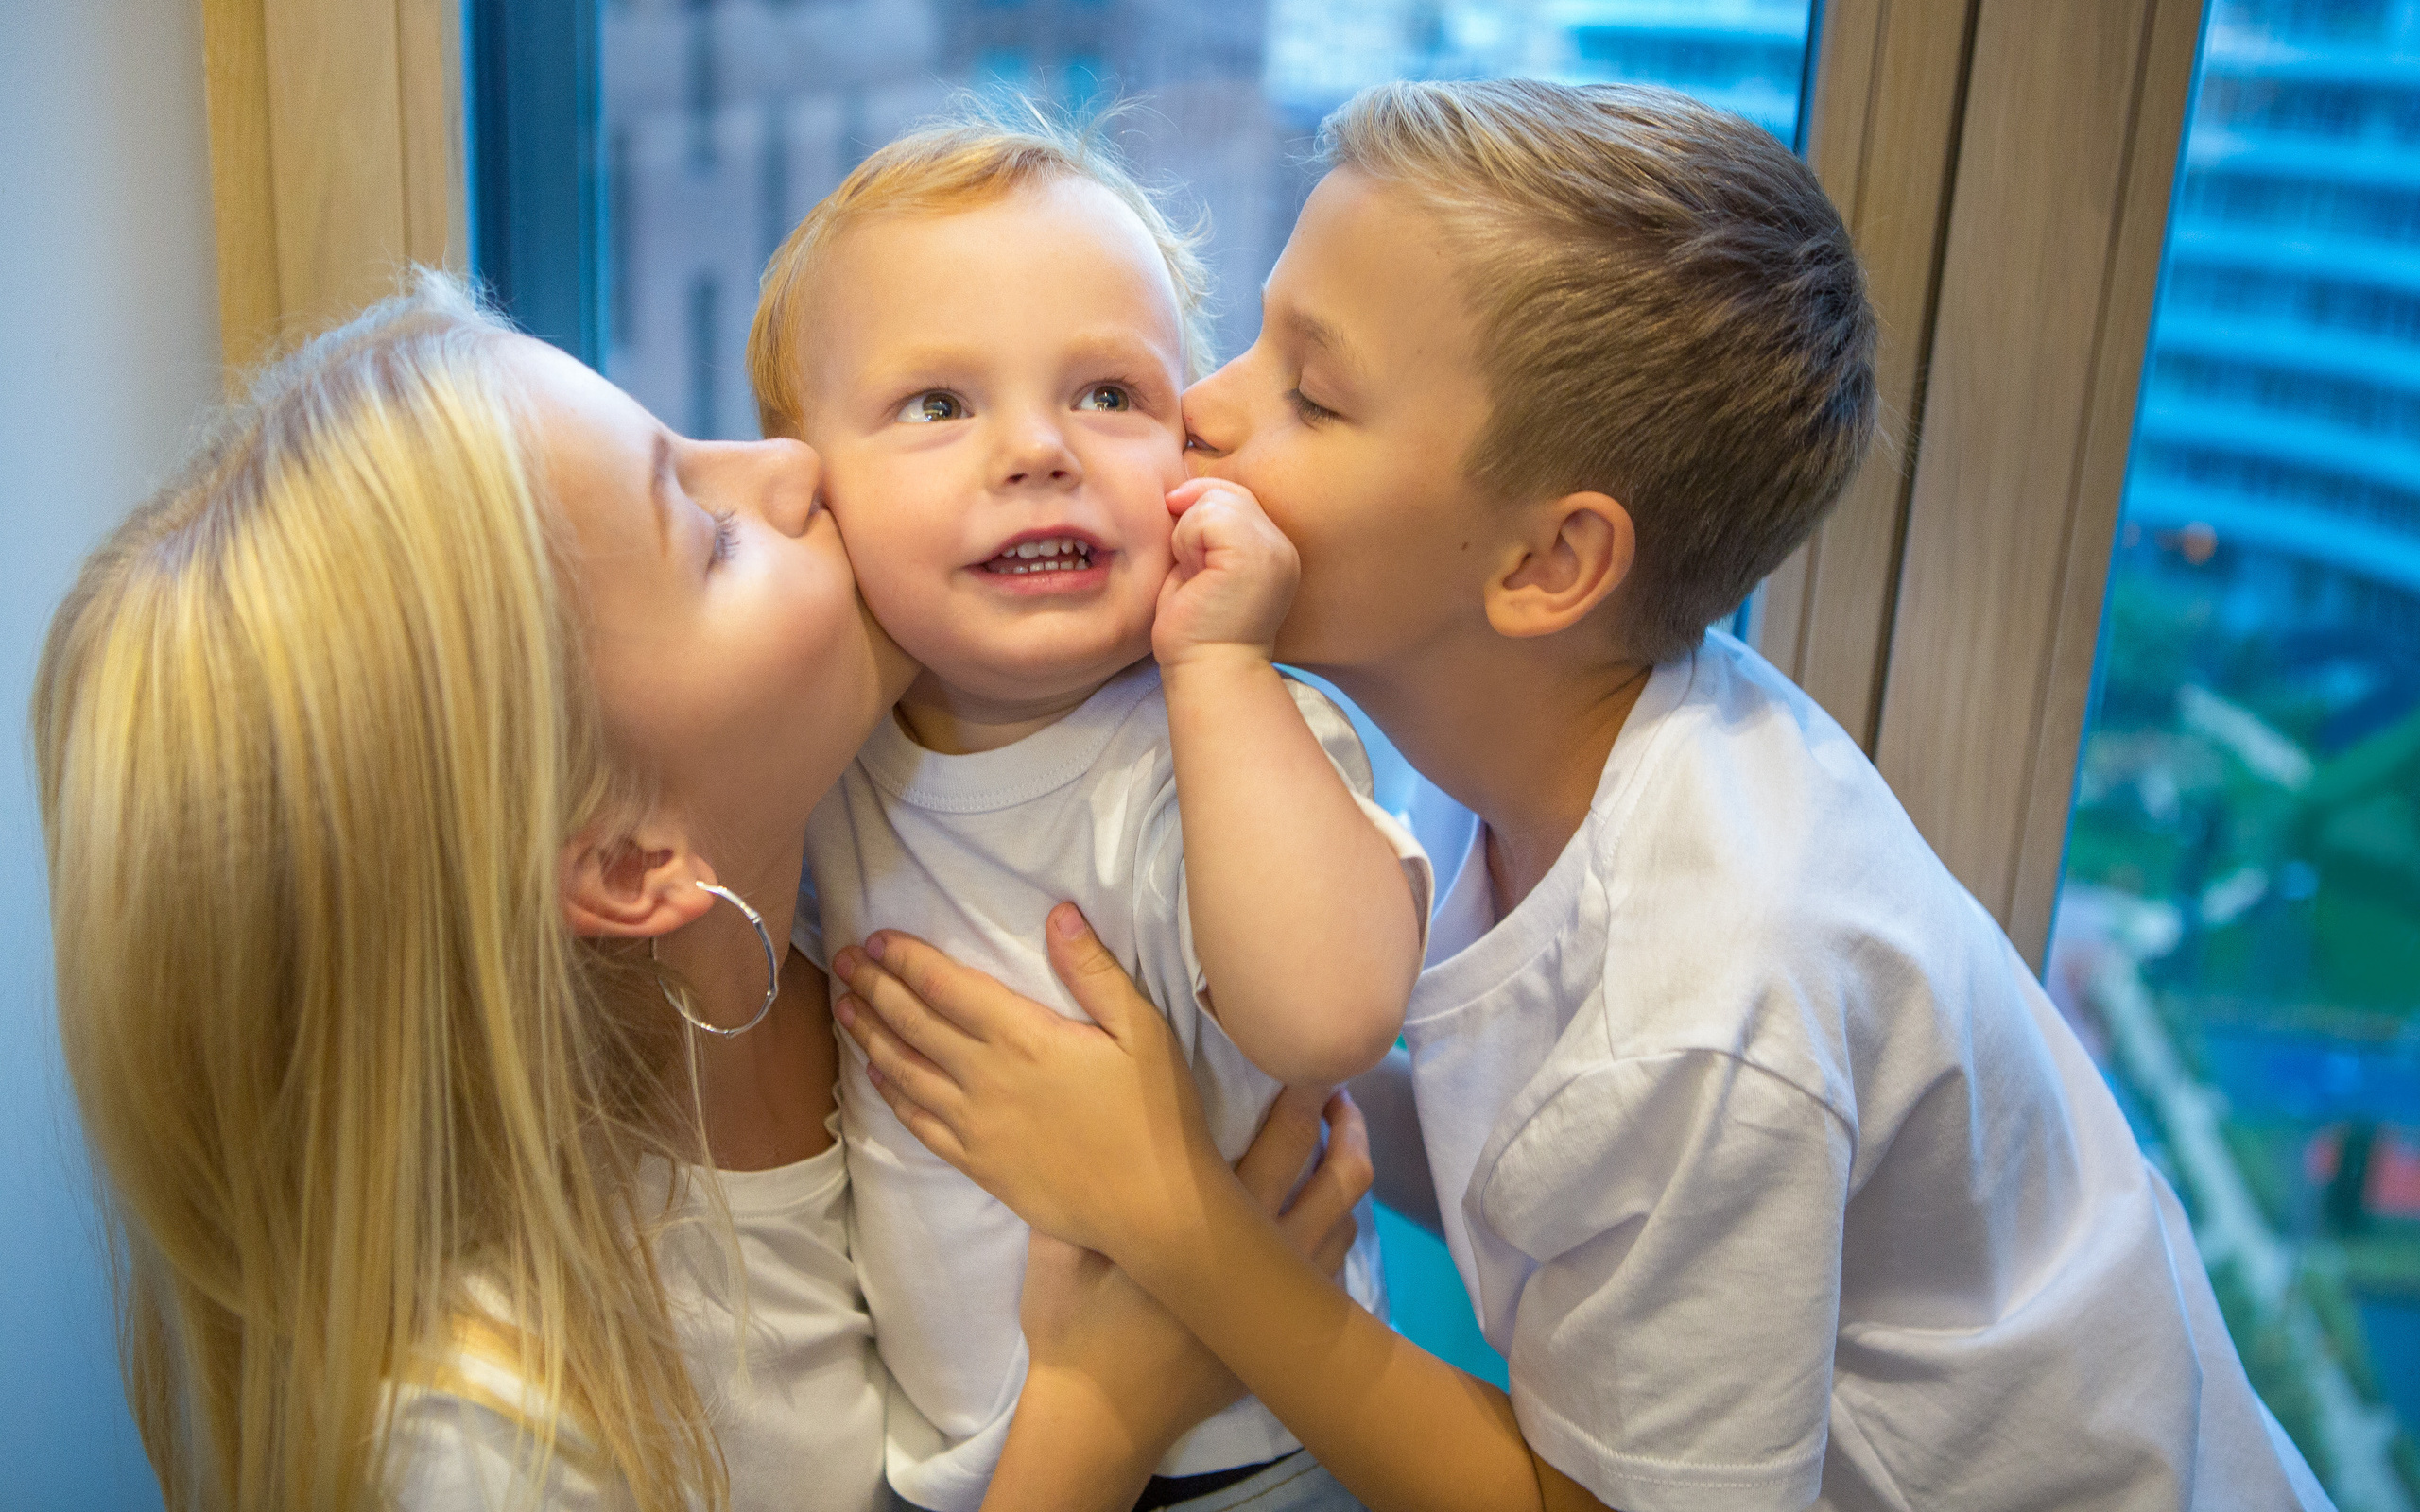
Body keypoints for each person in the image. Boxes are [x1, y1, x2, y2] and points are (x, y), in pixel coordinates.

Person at [829, 79, 2335, 1512]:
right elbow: (1527, 1126)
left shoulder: (1702, 992)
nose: (1201, 416)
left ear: (1549, 566)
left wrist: (1173, 1217)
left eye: (1310, 393)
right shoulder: (1580, 747)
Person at [34, 273, 1370, 1512]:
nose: (795, 469)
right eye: (710, 538)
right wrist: (1100, 1418)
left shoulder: (848, 891)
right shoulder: (483, 1441)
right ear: (629, 865)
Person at [745, 112, 1427, 1512]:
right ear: (805, 483)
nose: (1039, 450)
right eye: (938, 406)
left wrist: (1227, 664)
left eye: (1110, 395)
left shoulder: (1225, 732)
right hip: (957, 1469)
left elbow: (1331, 1018)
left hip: (1252, 1458)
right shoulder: (826, 757)